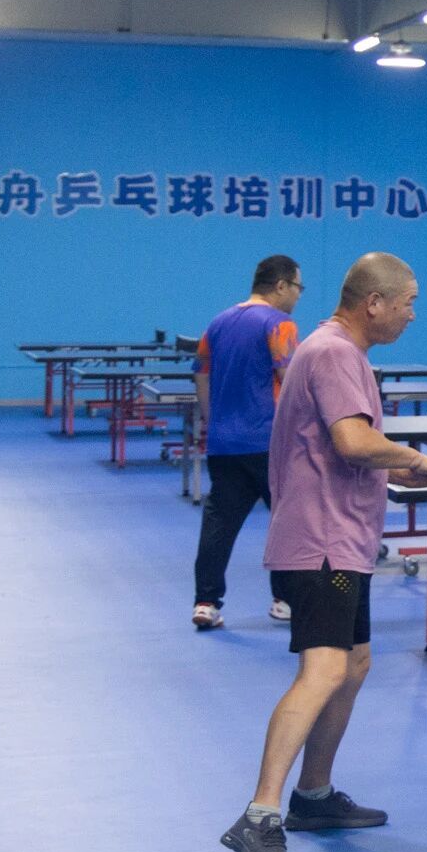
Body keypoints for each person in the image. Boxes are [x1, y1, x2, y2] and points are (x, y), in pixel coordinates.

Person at [218, 253, 427, 852]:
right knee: (325, 669)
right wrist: (423, 459)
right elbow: (353, 441)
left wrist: (402, 469)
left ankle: (314, 795)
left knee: (352, 665)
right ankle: (259, 815)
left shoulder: (340, 351)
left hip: (341, 538)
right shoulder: (333, 353)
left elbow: (343, 448)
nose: (412, 314)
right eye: (407, 302)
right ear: (374, 303)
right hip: (322, 540)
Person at [192, 254, 304, 630]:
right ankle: (285, 600)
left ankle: (206, 603)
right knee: (289, 521)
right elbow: (290, 380)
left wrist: (212, 421)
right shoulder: (281, 324)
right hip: (270, 443)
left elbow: (201, 375)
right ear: (281, 285)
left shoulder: (217, 322)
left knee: (219, 524)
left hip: (223, 443)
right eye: (298, 287)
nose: (298, 295)